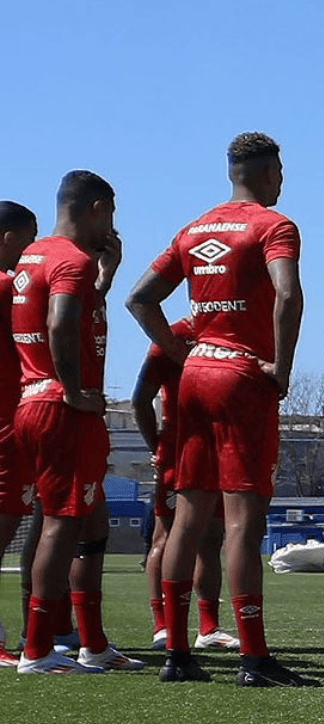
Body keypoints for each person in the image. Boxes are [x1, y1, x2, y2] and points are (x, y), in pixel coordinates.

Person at [126, 132, 312, 686]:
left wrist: (183, 349)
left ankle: (178, 654)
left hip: (195, 377)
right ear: (266, 171)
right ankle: (254, 658)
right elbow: (288, 293)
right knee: (241, 526)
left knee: (187, 521)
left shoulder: (196, 228)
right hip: (239, 379)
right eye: (280, 171)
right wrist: (280, 365)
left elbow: (139, 297)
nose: (283, 181)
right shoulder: (273, 226)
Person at [13, 171, 141, 674]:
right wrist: (70, 389)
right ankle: (38, 648)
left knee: (91, 521)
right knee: (61, 525)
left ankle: (92, 642)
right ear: (96, 208)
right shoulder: (71, 260)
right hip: (63, 409)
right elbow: (62, 321)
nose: (111, 224)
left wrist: (106, 275)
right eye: (110, 213)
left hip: (36, 402)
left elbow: (79, 315)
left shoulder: (35, 256)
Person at [133, 318, 240, 652]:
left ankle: (208, 627)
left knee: (211, 538)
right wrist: (159, 447)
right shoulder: (174, 335)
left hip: (222, 449)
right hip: (179, 451)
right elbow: (140, 398)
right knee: (166, 536)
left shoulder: (238, 332)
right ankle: (162, 625)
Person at [0, 201, 39, 666]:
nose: (32, 249)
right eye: (28, 238)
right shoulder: (10, 285)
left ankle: (45, 627)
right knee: (8, 520)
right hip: (8, 422)